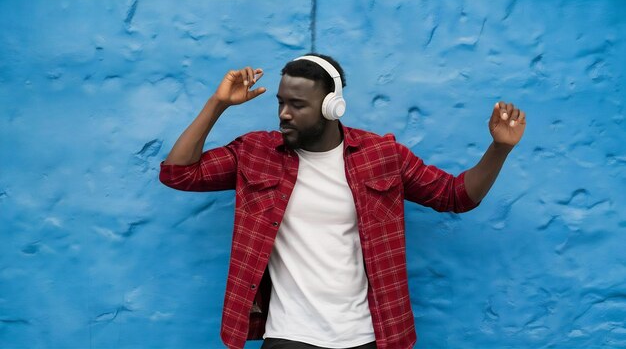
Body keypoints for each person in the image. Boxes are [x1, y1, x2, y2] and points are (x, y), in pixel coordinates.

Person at [159, 53, 526, 349]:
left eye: (297, 104)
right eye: (281, 102)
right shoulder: (257, 152)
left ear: (332, 107)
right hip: (289, 335)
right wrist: (217, 104)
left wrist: (499, 149)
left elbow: (455, 196)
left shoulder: (381, 155)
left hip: (368, 336)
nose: (284, 113)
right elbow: (179, 173)